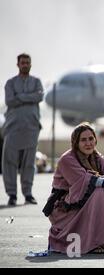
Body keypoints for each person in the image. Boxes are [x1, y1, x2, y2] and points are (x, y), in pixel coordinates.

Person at [44, 123, 104, 254]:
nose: (88, 143)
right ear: (76, 143)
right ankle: (96, 241)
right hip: (65, 209)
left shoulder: (96, 157)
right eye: (83, 140)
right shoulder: (67, 159)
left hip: (85, 203)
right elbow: (88, 181)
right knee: (101, 191)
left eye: (91, 139)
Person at [2, 53, 43, 206]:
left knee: (28, 163)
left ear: (30, 64)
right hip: (13, 128)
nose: (25, 65)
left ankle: (28, 194)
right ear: (18, 64)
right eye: (22, 62)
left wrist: (21, 97)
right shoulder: (10, 83)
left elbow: (39, 96)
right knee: (9, 162)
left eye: (27, 62)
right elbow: (10, 100)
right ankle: (12, 194)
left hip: (31, 128)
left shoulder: (36, 81)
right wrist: (28, 97)